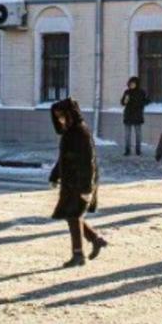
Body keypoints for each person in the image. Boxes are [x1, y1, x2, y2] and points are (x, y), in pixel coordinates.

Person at [49, 97, 108, 267]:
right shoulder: (69, 132)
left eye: (62, 115)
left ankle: (78, 254)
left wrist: (87, 188)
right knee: (72, 215)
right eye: (57, 117)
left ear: (70, 114)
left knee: (73, 215)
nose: (60, 119)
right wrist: (54, 176)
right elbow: (63, 158)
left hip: (80, 182)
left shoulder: (81, 132)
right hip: (70, 182)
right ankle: (95, 240)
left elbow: (88, 162)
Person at [121, 76, 149, 156]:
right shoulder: (127, 92)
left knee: (138, 134)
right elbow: (122, 102)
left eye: (133, 84)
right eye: (130, 84)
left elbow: (147, 101)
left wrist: (141, 104)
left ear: (137, 84)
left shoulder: (141, 92)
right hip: (128, 115)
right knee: (127, 134)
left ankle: (138, 150)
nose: (132, 85)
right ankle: (127, 150)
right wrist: (125, 101)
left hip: (137, 115)